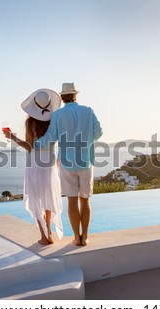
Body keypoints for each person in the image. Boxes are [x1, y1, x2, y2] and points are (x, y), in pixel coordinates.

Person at [34, 83, 102, 246]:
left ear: (62, 98)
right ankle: (85, 237)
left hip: (66, 163)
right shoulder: (88, 111)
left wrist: (34, 144)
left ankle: (76, 238)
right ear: (75, 95)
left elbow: (50, 138)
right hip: (86, 161)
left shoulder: (58, 115)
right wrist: (86, 142)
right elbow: (98, 132)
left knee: (72, 200)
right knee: (85, 200)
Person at [3, 88, 63, 245]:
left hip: (35, 163)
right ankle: (49, 232)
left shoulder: (30, 122)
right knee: (49, 198)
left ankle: (45, 236)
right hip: (50, 163)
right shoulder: (54, 121)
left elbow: (29, 147)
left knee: (36, 199)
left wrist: (12, 137)